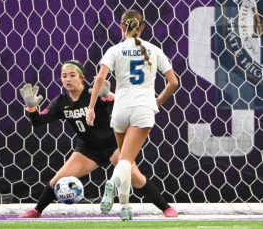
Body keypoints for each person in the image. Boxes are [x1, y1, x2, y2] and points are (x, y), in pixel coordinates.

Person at [18, 60, 178, 219]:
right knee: (56, 181)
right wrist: (32, 108)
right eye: (64, 76)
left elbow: (118, 110)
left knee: (136, 178)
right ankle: (37, 211)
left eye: (72, 75)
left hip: (113, 145)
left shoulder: (93, 93)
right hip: (88, 149)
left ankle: (166, 208)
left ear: (82, 77)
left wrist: (108, 97)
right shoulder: (61, 102)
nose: (67, 79)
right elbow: (38, 122)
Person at [86, 10, 179, 221]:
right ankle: (112, 183)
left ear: (121, 27)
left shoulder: (114, 49)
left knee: (125, 160)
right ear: (143, 27)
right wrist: (158, 101)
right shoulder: (153, 49)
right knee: (126, 161)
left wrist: (91, 107)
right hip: (142, 108)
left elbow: (100, 77)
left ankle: (125, 208)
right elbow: (174, 82)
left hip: (120, 109)